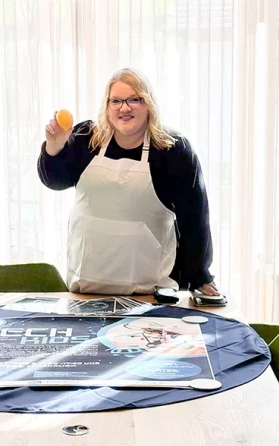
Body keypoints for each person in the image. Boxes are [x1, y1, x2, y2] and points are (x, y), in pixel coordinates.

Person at [38, 67, 218, 296]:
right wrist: (55, 146)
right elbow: (54, 181)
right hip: (86, 289)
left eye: (134, 99)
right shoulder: (86, 138)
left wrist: (198, 275)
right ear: (107, 106)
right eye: (116, 101)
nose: (124, 107)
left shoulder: (173, 150)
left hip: (150, 293)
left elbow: (194, 217)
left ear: (149, 104)